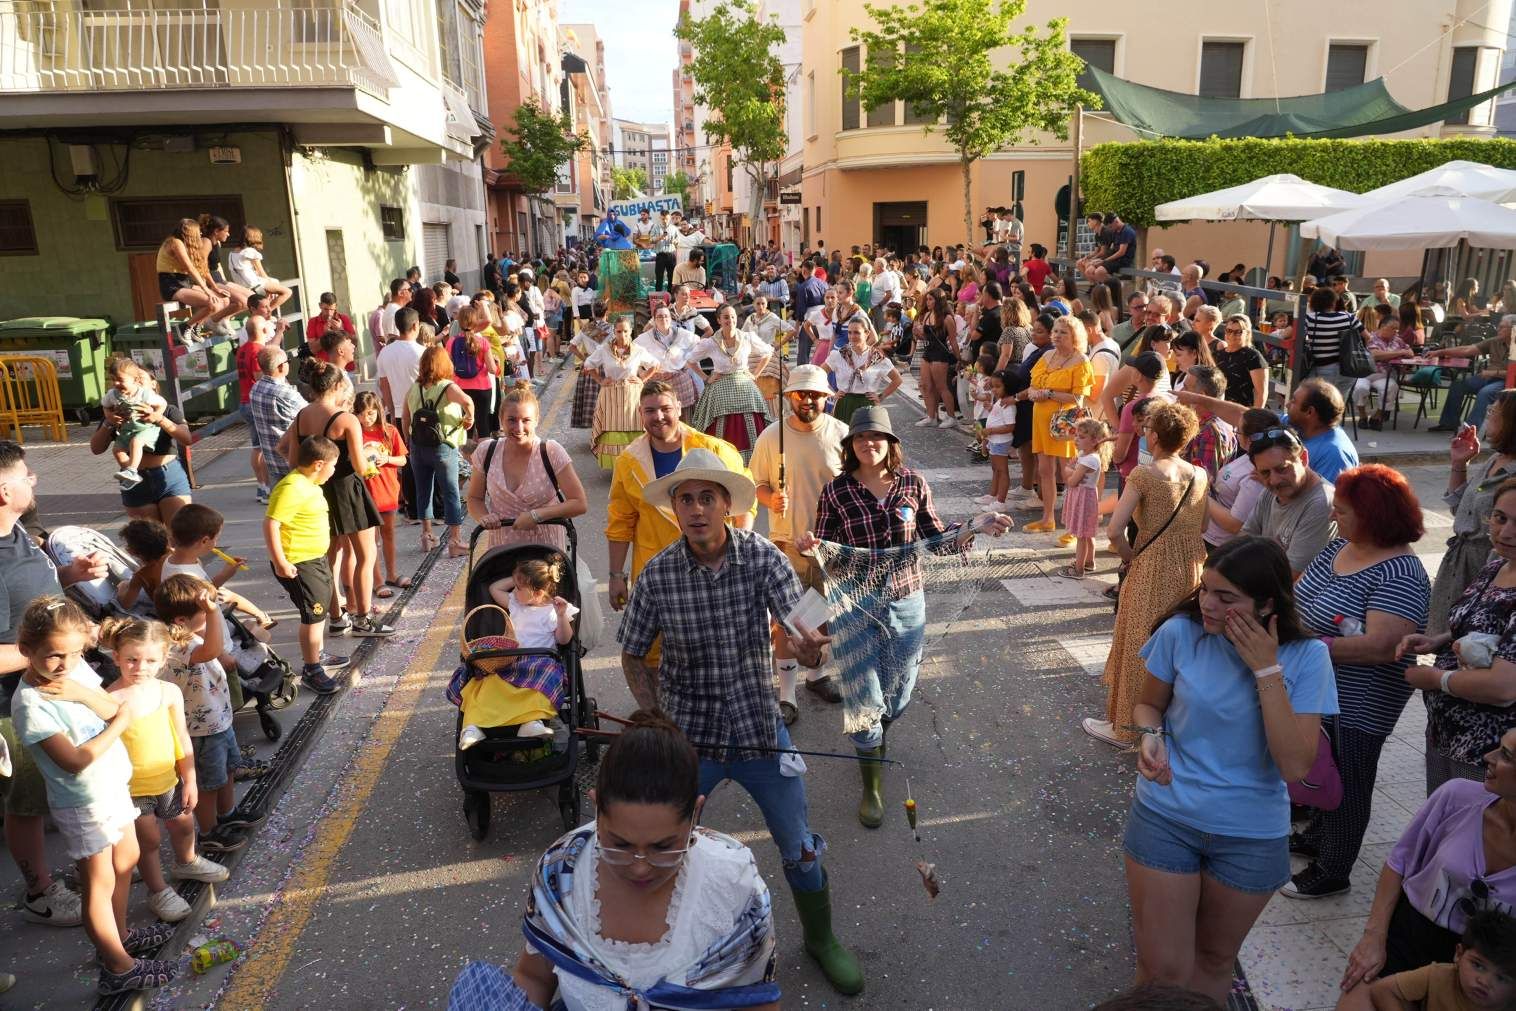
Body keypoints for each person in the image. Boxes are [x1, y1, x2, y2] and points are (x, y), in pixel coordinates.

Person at [618, 449, 863, 995]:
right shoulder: (657, 576)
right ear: (674, 510)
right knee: (659, 848)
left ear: (727, 505)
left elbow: (807, 634)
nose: (698, 508)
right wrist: (655, 716)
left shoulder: (762, 557)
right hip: (689, 740)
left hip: (759, 731)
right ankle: (652, 951)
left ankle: (821, 940)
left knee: (798, 846)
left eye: (709, 497)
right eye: (687, 499)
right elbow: (632, 652)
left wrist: (810, 652)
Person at [1122, 537, 1335, 1005]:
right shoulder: (1182, 632)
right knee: (1163, 973)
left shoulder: (1308, 658)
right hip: (1166, 816)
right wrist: (1150, 736)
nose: (1207, 604)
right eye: (1205, 590)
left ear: (1267, 604)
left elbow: (1294, 765)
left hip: (1251, 836)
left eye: (1225, 597)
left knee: (1214, 964)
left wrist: (1266, 671)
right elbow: (1147, 705)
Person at [493, 710, 780, 1010]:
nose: (640, 866)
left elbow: (757, 1002)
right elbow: (534, 977)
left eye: (663, 846)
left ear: (696, 813)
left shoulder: (734, 890)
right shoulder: (561, 872)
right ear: (596, 806)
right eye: (619, 844)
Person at [806, 406, 1011, 825]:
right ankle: (871, 787)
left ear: (891, 443)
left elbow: (936, 539)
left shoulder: (913, 484)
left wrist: (977, 525)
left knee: (897, 696)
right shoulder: (836, 491)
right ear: (850, 446)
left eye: (877, 437)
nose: (869, 444)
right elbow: (825, 547)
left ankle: (876, 735)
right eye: (861, 438)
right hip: (855, 605)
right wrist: (811, 548)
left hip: (905, 602)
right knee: (864, 700)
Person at [11, 596, 182, 995]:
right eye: (53, 655)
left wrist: (86, 696)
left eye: (74, 654)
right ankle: (117, 966)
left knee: (127, 859)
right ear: (25, 650)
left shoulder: (73, 674)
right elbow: (74, 760)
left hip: (112, 784)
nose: (65, 664)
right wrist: (120, 722)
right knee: (99, 881)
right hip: (84, 801)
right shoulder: (31, 703)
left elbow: (105, 703)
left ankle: (118, 935)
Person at [1284, 465, 1431, 899]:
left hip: (1363, 694)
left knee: (1350, 775)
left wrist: (1309, 644)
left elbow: (1384, 646)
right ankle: (1318, 835)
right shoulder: (1339, 548)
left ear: (1374, 515)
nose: (1335, 517)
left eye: (1344, 511)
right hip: (1319, 684)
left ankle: (1334, 868)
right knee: (1322, 764)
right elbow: (1301, 595)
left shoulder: (1400, 571)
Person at [1342, 729, 1516, 990]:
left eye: (1506, 755)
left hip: (1491, 976)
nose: (1487, 757)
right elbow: (1397, 864)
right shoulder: (1457, 796)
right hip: (1409, 938)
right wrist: (1374, 938)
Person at [1085, 403, 1209, 748]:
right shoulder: (1199, 475)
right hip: (1191, 567)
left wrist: (1129, 558)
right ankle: (1170, 725)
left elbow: (1114, 530)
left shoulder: (1143, 475)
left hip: (1151, 565)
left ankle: (1126, 726)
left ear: (1153, 435)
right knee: (1180, 647)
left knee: (1141, 644)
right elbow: (1204, 526)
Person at [605, 382, 753, 669]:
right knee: (652, 649)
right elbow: (620, 521)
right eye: (650, 410)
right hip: (655, 569)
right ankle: (658, 709)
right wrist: (615, 574)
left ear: (679, 409)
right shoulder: (628, 461)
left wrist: (740, 549)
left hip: (713, 566)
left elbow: (745, 502)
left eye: (665, 409)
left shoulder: (712, 449)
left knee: (715, 643)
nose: (658, 417)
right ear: (640, 413)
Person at [99, 616, 228, 924]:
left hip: (168, 779)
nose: (140, 667)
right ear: (116, 657)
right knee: (149, 842)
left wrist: (190, 778)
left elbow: (182, 737)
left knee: (184, 827)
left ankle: (187, 860)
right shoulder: (108, 699)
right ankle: (158, 889)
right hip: (131, 790)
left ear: (163, 660)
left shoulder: (168, 692)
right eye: (131, 659)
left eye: (149, 660)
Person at [1401, 477, 1516, 790]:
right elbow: (1475, 627)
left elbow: (1504, 687)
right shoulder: (1497, 565)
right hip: (1446, 733)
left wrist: (1436, 680)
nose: (1506, 532)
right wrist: (1438, 640)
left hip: (1489, 753)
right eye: (1500, 518)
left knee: (1472, 833)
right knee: (1443, 825)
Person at [748, 366, 848, 726]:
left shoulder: (842, 435)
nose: (807, 400)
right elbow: (754, 484)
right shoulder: (771, 437)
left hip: (830, 546)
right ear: (789, 396)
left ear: (827, 397)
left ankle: (817, 675)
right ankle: (786, 694)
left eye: (815, 394)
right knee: (785, 622)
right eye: (800, 394)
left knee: (823, 616)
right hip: (786, 544)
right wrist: (771, 499)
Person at [279, 363, 391, 634]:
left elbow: (290, 456)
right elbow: (361, 466)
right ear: (339, 386)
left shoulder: (302, 416)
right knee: (367, 554)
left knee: (330, 556)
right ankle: (363, 618)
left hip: (317, 491)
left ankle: (336, 618)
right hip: (347, 490)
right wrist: (376, 460)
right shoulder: (346, 419)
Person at [453, 558, 575, 746]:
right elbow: (495, 588)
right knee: (486, 681)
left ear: (537, 593)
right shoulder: (515, 604)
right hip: (512, 659)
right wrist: (518, 578)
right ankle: (473, 726)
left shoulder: (552, 611)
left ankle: (531, 720)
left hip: (539, 661)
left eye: (519, 588)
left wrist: (561, 617)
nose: (514, 591)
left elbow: (564, 639)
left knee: (540, 684)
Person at [265, 435, 349, 697]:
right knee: (313, 616)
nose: (334, 470)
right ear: (318, 464)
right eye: (333, 465)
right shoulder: (292, 487)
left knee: (319, 611)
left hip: (315, 558)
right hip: (299, 562)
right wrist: (281, 561)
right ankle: (312, 670)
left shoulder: (310, 485)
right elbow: (271, 524)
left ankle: (318, 653)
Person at [468, 381, 588, 554]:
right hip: (502, 549)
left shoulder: (550, 451)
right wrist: (484, 517)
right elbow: (474, 498)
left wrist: (537, 515)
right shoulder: (486, 451)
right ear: (501, 420)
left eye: (526, 420)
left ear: (537, 421)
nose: (519, 428)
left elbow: (579, 503)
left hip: (545, 549)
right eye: (511, 420)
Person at [1430, 394, 1516, 636]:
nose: (1486, 420)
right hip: (1457, 565)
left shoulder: (1513, 474)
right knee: (1442, 639)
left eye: (1492, 414)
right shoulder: (1494, 460)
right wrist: (1459, 463)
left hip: (1485, 565)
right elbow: (1461, 510)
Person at [1338, 908, 1516, 1011]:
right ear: (1459, 954)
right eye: (1478, 965)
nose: (1485, 981)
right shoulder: (1438, 976)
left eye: (1502, 978)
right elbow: (1382, 990)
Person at [1020, 315, 1094, 534]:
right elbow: (1032, 386)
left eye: (1063, 332)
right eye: (1056, 331)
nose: (1057, 335)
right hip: (1041, 419)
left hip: (1065, 423)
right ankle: (1048, 518)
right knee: (1044, 470)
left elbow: (1078, 398)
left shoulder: (1081, 360)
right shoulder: (1047, 356)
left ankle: (1073, 525)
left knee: (1069, 473)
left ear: (1075, 336)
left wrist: (1049, 393)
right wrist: (1035, 394)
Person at [403, 346, 474, 557]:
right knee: (451, 492)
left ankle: (427, 536)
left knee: (423, 491)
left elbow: (406, 416)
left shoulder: (414, 388)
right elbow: (467, 401)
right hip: (443, 447)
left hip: (418, 446)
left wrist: (409, 440)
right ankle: (455, 541)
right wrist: (469, 418)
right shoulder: (447, 387)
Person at [1239, 427, 1339, 577]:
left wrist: (1258, 553)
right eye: (1265, 473)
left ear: (1304, 458)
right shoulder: (1272, 490)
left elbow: (1291, 576)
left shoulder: (1321, 503)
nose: (1274, 480)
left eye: (1282, 469)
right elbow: (1242, 542)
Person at [688, 305, 774, 462]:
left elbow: (767, 352)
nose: (730, 320)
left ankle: (753, 462)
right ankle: (721, 461)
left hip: (745, 385)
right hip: (719, 388)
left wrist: (755, 374)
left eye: (733, 316)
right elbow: (690, 360)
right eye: (726, 317)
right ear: (719, 320)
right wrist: (706, 377)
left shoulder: (747, 337)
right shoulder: (711, 342)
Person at [586, 318, 660, 470]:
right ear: (614, 332)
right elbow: (588, 365)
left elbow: (655, 364)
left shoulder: (638, 350)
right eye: (619, 331)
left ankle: (634, 463)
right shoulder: (604, 349)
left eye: (625, 331)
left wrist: (642, 378)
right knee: (611, 428)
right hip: (610, 396)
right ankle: (617, 466)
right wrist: (600, 380)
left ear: (630, 331)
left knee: (635, 427)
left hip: (632, 396)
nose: (622, 335)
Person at [354, 392, 409, 596]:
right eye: (360, 414)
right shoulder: (355, 433)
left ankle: (392, 574)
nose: (365, 419)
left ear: (378, 410)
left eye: (370, 413)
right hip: (366, 492)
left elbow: (402, 460)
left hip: (387, 489)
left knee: (389, 534)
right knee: (372, 539)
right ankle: (377, 581)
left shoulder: (390, 431)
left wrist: (386, 459)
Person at [1426, 315, 1514, 433]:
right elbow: (1467, 350)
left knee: (1485, 393)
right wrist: (1439, 352)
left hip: (1508, 382)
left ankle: (1469, 432)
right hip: (1489, 377)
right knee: (1457, 386)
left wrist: (1494, 372)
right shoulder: (1495, 341)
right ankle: (1448, 423)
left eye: (1502, 327)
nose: (1498, 329)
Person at [98, 356, 170, 490]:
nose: (116, 384)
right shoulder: (112, 395)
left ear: (136, 381)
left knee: (135, 443)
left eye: (120, 380)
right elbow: (105, 405)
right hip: (127, 430)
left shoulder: (144, 394)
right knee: (117, 450)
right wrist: (110, 417)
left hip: (146, 429)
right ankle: (131, 473)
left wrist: (156, 416)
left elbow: (162, 403)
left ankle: (131, 471)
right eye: (113, 380)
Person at [155, 218, 229, 339]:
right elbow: (190, 268)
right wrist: (206, 290)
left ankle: (195, 327)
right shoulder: (175, 243)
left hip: (184, 282)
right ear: (190, 232)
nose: (200, 234)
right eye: (198, 231)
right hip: (172, 284)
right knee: (212, 304)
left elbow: (201, 269)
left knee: (220, 301)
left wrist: (215, 288)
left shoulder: (184, 244)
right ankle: (185, 327)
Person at [823, 315, 901, 426]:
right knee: (842, 439)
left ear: (867, 333)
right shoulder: (839, 355)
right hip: (844, 403)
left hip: (867, 405)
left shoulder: (877, 358)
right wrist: (831, 393)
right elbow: (819, 373)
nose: (852, 336)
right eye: (849, 332)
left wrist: (881, 396)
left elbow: (897, 379)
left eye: (856, 333)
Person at [1058, 418, 1112, 578]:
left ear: (1095, 440)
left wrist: (1069, 469)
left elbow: (1071, 481)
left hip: (1083, 498)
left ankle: (1079, 569)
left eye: (1081, 437)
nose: (1076, 439)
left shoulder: (1091, 459)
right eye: (1076, 435)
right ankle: (1089, 562)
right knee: (1087, 533)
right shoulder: (1084, 454)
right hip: (1082, 496)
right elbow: (1073, 476)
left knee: (1082, 536)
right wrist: (1072, 470)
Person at [913, 288, 963, 429]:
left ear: (938, 300)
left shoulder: (947, 318)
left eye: (931, 299)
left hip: (940, 354)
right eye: (927, 299)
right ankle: (932, 416)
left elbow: (952, 341)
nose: (928, 302)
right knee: (925, 385)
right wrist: (918, 333)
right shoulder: (928, 314)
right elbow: (926, 337)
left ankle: (951, 417)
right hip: (928, 351)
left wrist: (959, 359)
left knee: (941, 387)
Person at [638, 304, 702, 410]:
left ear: (670, 318)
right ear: (654, 319)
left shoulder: (682, 334)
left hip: (679, 383)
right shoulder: (644, 339)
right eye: (660, 316)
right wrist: (641, 372)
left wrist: (688, 361)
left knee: (683, 419)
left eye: (666, 316)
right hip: (656, 385)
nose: (664, 319)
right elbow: (632, 354)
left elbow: (699, 346)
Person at [225, 225, 291, 313]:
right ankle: (268, 311)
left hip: (242, 285)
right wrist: (272, 286)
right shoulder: (250, 252)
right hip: (255, 285)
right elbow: (262, 273)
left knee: (274, 284)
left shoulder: (232, 253)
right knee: (287, 292)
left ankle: (263, 311)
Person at [376, 306, 425, 422]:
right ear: (415, 325)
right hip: (421, 411)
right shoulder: (423, 352)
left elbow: (384, 385)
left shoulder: (384, 352)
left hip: (397, 413)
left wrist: (392, 412)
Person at [979, 369, 1018, 511]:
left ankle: (1001, 501)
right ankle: (993, 495)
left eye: (997, 386)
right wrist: (991, 409)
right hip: (995, 440)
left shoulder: (1009, 405)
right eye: (993, 386)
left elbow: (1010, 426)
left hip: (1001, 441)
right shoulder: (1000, 402)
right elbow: (998, 418)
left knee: (1002, 471)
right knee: (995, 469)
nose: (994, 390)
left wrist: (990, 431)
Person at [1211, 315, 1269, 410]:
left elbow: (1261, 392)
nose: (1232, 335)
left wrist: (1254, 419)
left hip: (1241, 412)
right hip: (1218, 410)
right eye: (1229, 330)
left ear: (1247, 334)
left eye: (1238, 332)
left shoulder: (1253, 356)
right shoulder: (1218, 354)